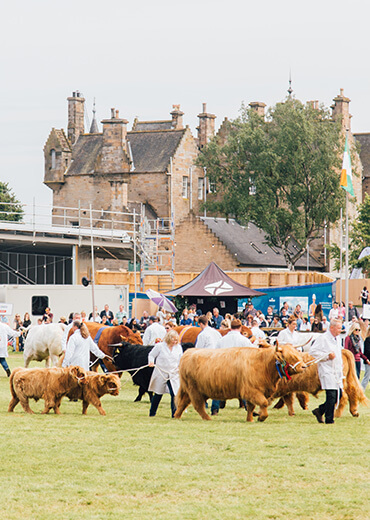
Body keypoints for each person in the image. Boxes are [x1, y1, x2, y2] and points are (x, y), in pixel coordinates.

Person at [309, 319, 344, 424]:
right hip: (327, 369)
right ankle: (329, 419)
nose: (340, 330)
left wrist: (340, 363)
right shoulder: (323, 338)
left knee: (339, 394)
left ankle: (319, 410)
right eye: (338, 328)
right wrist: (326, 356)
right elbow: (313, 352)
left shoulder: (337, 339)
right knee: (331, 395)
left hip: (336, 370)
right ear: (332, 328)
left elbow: (338, 352)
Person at [148, 330, 182, 417]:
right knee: (158, 393)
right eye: (173, 340)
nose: (174, 342)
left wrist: (179, 366)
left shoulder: (178, 347)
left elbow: (180, 359)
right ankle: (152, 413)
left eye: (176, 340)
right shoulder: (160, 346)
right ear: (168, 339)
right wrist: (151, 362)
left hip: (173, 373)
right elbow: (151, 355)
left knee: (174, 393)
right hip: (161, 372)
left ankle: (174, 414)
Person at [195, 315, 222, 416]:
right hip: (218, 359)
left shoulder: (202, 335)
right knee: (217, 385)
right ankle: (215, 408)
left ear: (201, 324)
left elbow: (198, 350)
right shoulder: (217, 333)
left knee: (202, 384)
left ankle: (204, 403)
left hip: (206, 361)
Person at [362, 327, 370, 391]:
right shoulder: (367, 340)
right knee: (366, 377)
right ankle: (361, 390)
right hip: (368, 361)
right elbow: (367, 351)